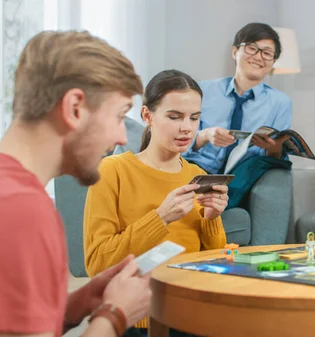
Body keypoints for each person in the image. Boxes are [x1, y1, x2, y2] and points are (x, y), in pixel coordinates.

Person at [0, 30, 151, 337]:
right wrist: (115, 315)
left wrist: (71, 306)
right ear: (75, 108)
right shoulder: (23, 211)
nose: (122, 137)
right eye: (120, 115)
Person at [83, 70, 228, 331]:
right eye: (174, 117)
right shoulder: (112, 170)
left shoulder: (198, 176)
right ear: (147, 115)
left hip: (192, 314)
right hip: (138, 320)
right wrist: (160, 217)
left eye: (194, 118)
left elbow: (213, 263)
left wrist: (211, 220)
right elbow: (97, 263)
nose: (187, 127)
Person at [182, 22, 292, 175]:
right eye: (252, 48)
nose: (258, 57)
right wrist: (205, 136)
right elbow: (180, 137)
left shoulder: (280, 103)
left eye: (267, 53)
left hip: (243, 176)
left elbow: (274, 157)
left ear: (273, 62)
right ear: (235, 51)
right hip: (196, 168)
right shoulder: (203, 90)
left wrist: (273, 148)